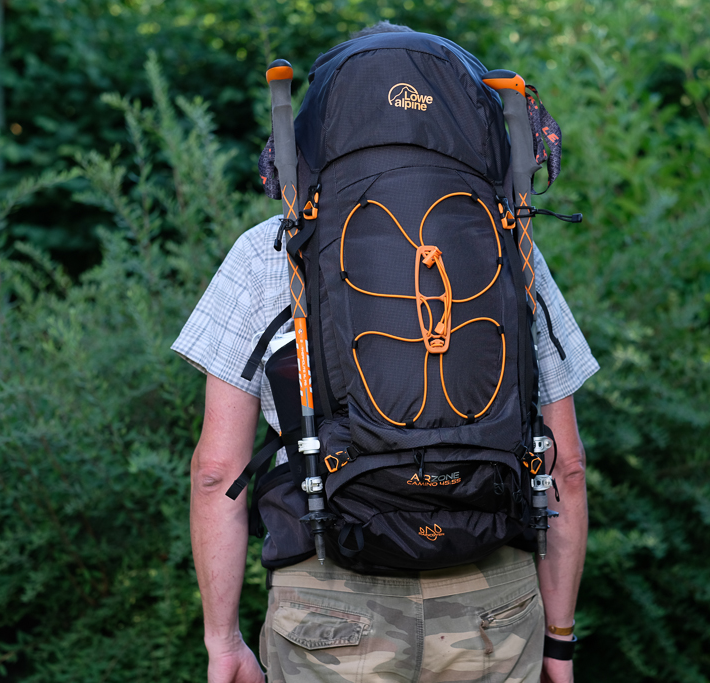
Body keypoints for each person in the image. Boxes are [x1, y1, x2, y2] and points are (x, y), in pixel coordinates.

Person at [173, 23, 598, 683]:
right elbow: (565, 467)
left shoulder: (271, 250)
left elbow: (215, 471)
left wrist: (222, 639)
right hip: (493, 599)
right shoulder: (511, 249)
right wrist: (561, 642)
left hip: (331, 601)